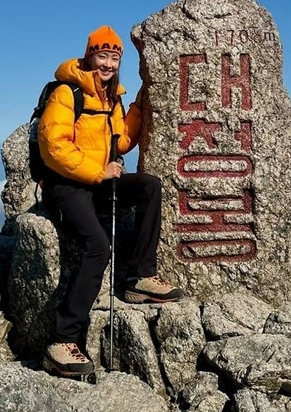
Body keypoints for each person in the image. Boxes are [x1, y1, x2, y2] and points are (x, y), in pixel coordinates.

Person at [38, 25, 183, 378]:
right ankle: (61, 340)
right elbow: (53, 146)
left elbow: (121, 142)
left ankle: (139, 278)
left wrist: (139, 104)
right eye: (102, 56)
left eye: (113, 58)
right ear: (89, 56)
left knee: (149, 186)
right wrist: (96, 172)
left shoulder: (110, 97)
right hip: (66, 185)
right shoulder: (66, 92)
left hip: (96, 180)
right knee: (97, 247)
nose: (107, 63)